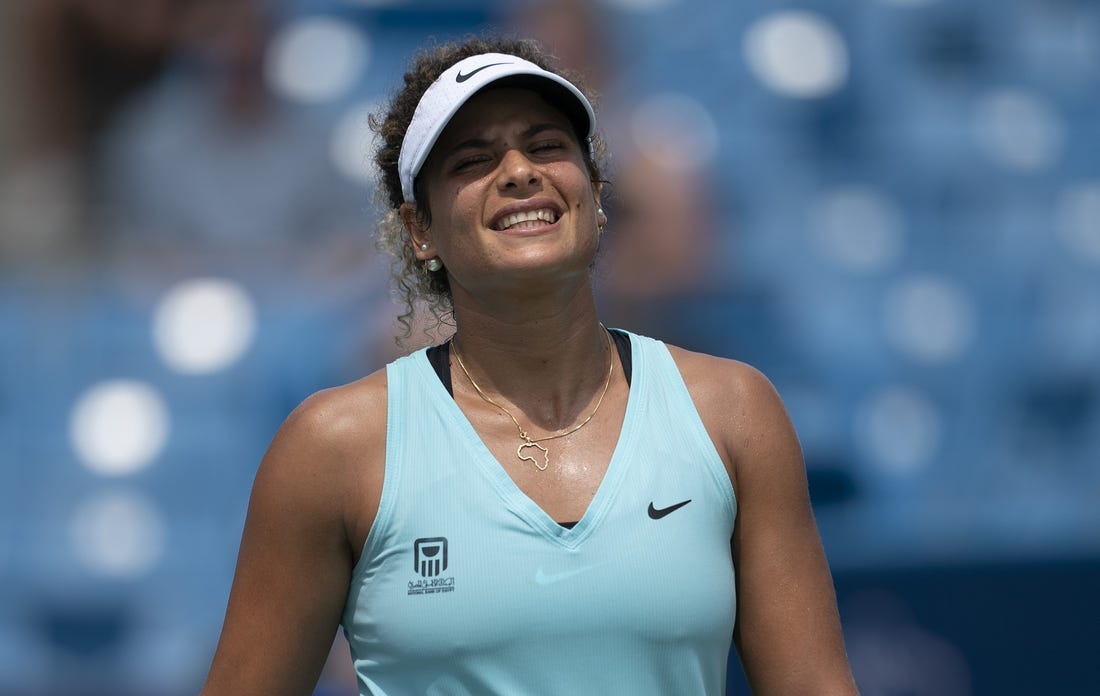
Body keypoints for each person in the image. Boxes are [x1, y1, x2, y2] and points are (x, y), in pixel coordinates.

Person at [199, 36, 859, 695]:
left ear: (595, 197)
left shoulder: (734, 412)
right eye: (473, 160)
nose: (518, 172)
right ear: (420, 230)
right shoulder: (331, 449)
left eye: (546, 146)